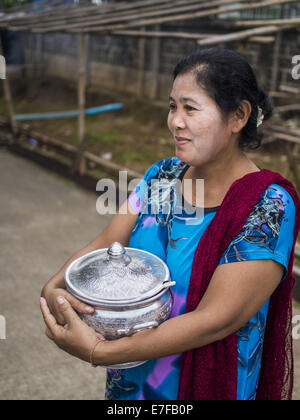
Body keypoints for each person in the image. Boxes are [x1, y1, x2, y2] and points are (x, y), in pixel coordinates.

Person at [40, 47, 300, 400]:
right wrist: (57, 287)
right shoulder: (159, 176)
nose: (175, 121)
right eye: (172, 106)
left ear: (238, 116)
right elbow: (107, 241)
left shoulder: (269, 206)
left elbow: (217, 319)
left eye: (190, 108)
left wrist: (100, 352)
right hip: (132, 388)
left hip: (206, 388)